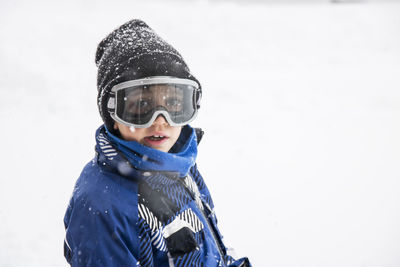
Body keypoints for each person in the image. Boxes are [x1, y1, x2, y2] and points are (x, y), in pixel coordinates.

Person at [63, 19, 251, 267]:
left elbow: (208, 246)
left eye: (174, 105)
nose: (160, 121)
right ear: (113, 115)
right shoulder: (103, 206)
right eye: (141, 106)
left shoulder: (180, 162)